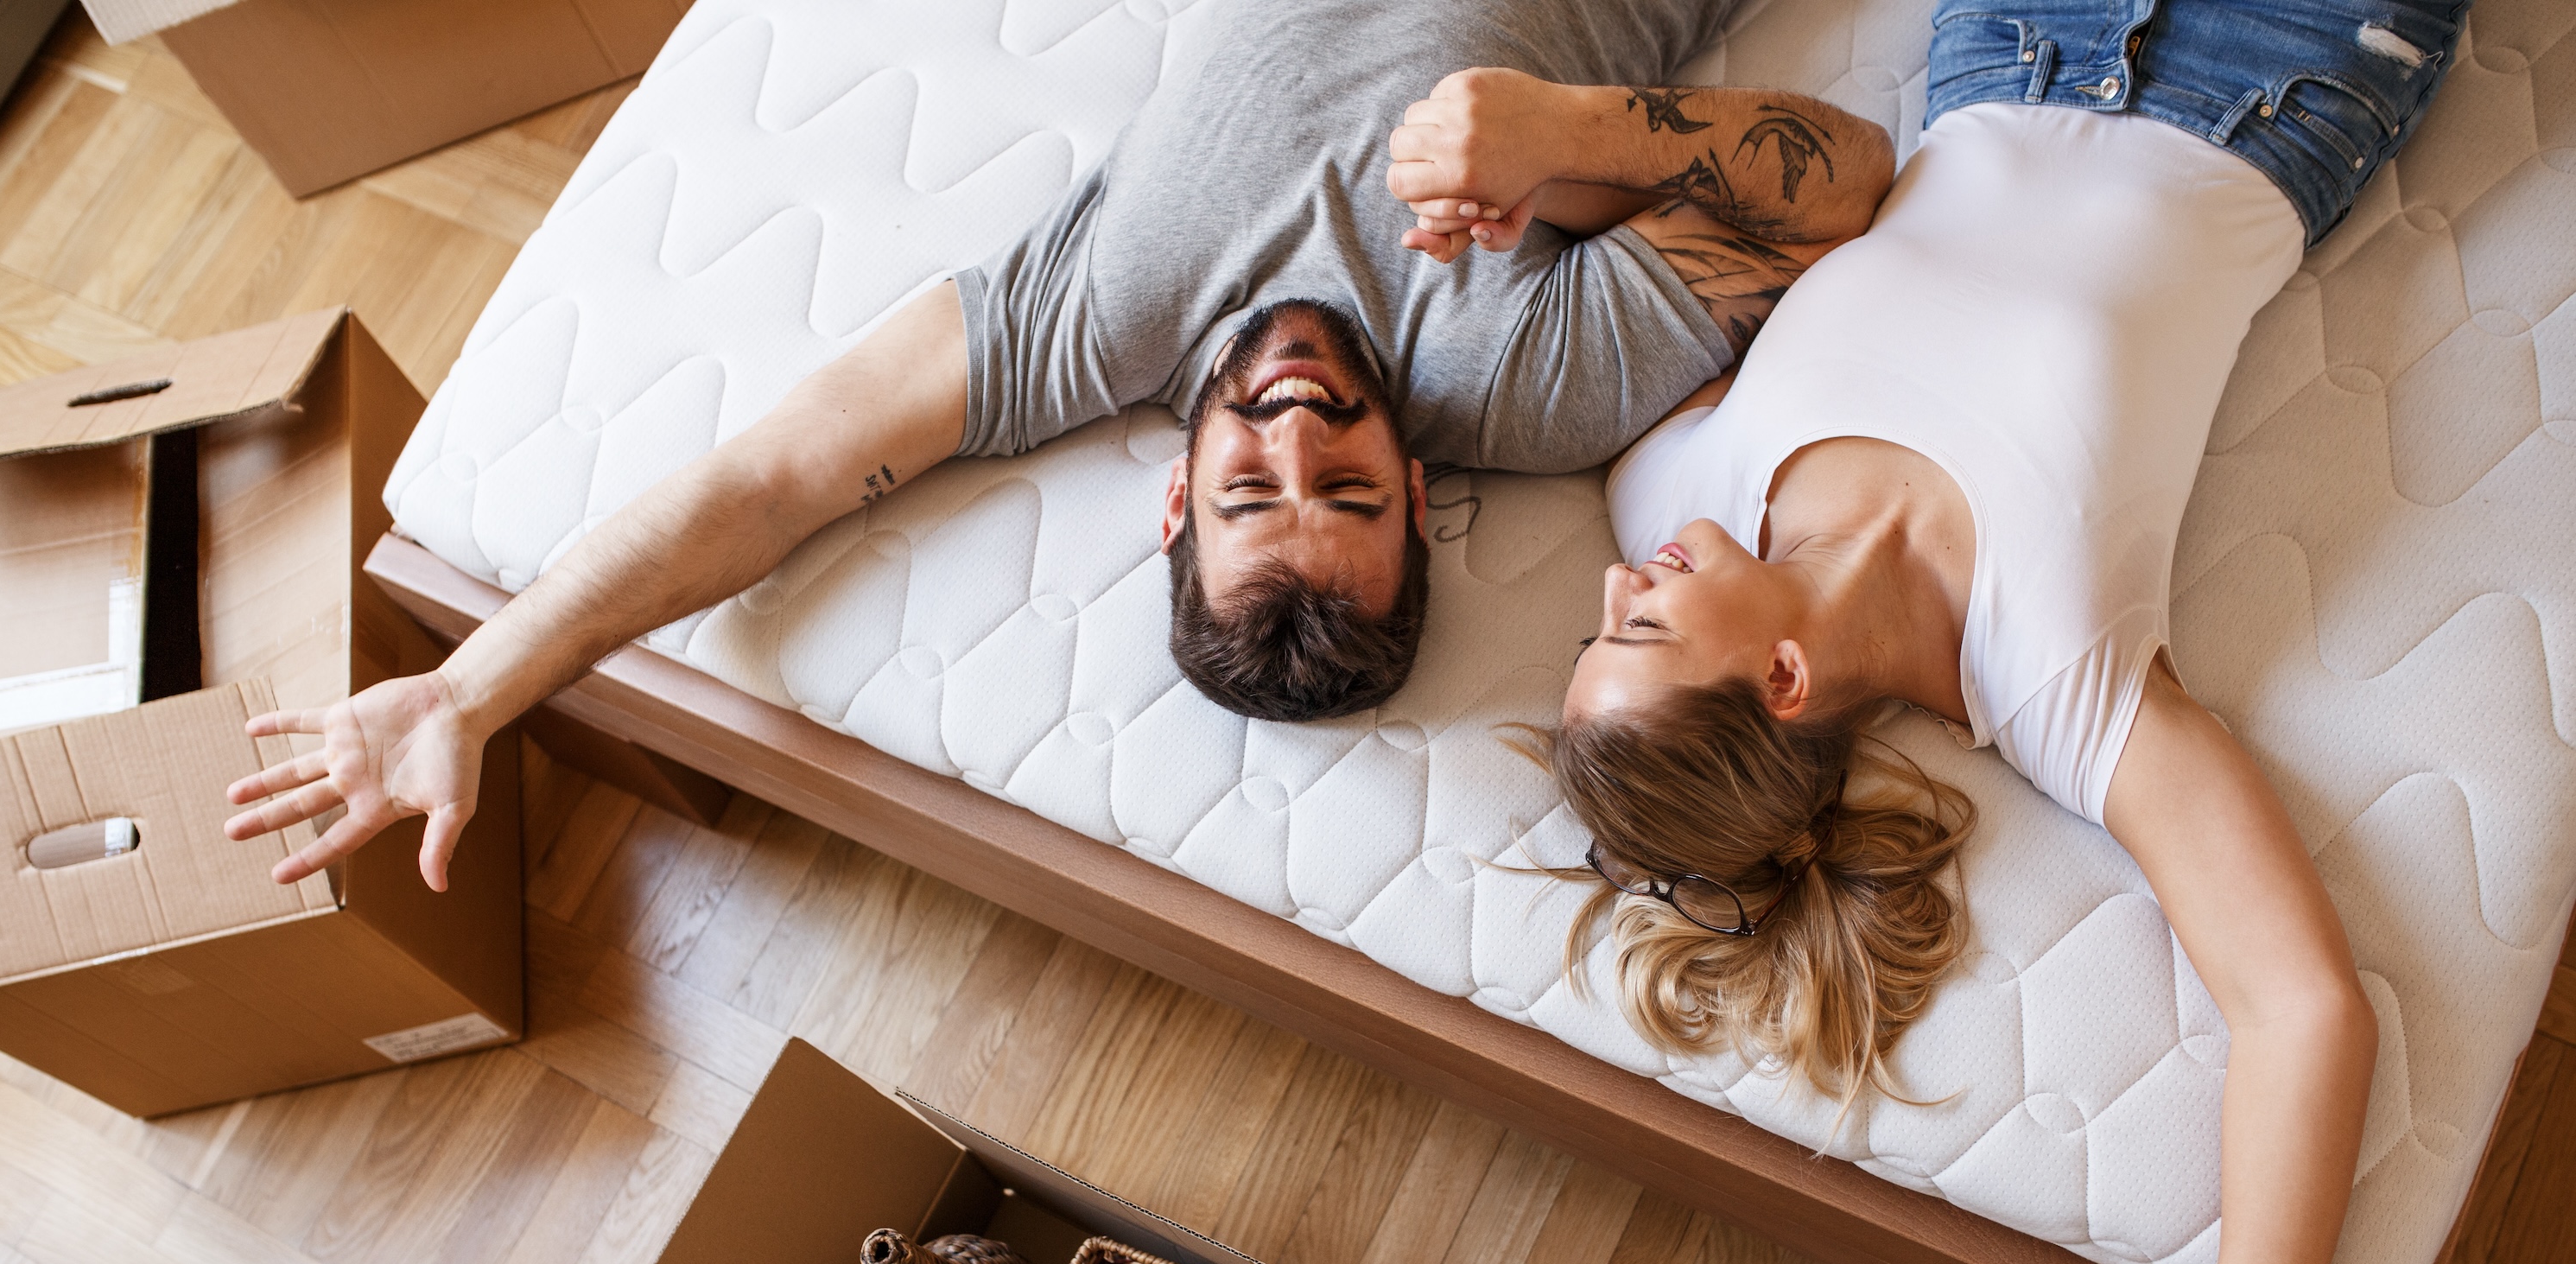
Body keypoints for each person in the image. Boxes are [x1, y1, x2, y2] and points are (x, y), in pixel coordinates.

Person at [1391, 0, 2466, 1264]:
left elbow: (1711, 219)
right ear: (1792, 683)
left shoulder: (1677, 495)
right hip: (2280, 71)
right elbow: (2304, 1007)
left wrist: (1539, 173)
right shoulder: (2057, 672)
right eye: (1638, 633)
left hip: (2012, 45)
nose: (1616, 584)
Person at [222, 0, 1895, 892]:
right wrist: (1571, 132)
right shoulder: (1527, 383)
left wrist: (468, 689)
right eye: (1351, 487)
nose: (1299, 426)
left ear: (1173, 495)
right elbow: (1841, 168)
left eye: (1253, 489)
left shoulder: (1103, 324)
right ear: (1425, 505)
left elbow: (771, 483)